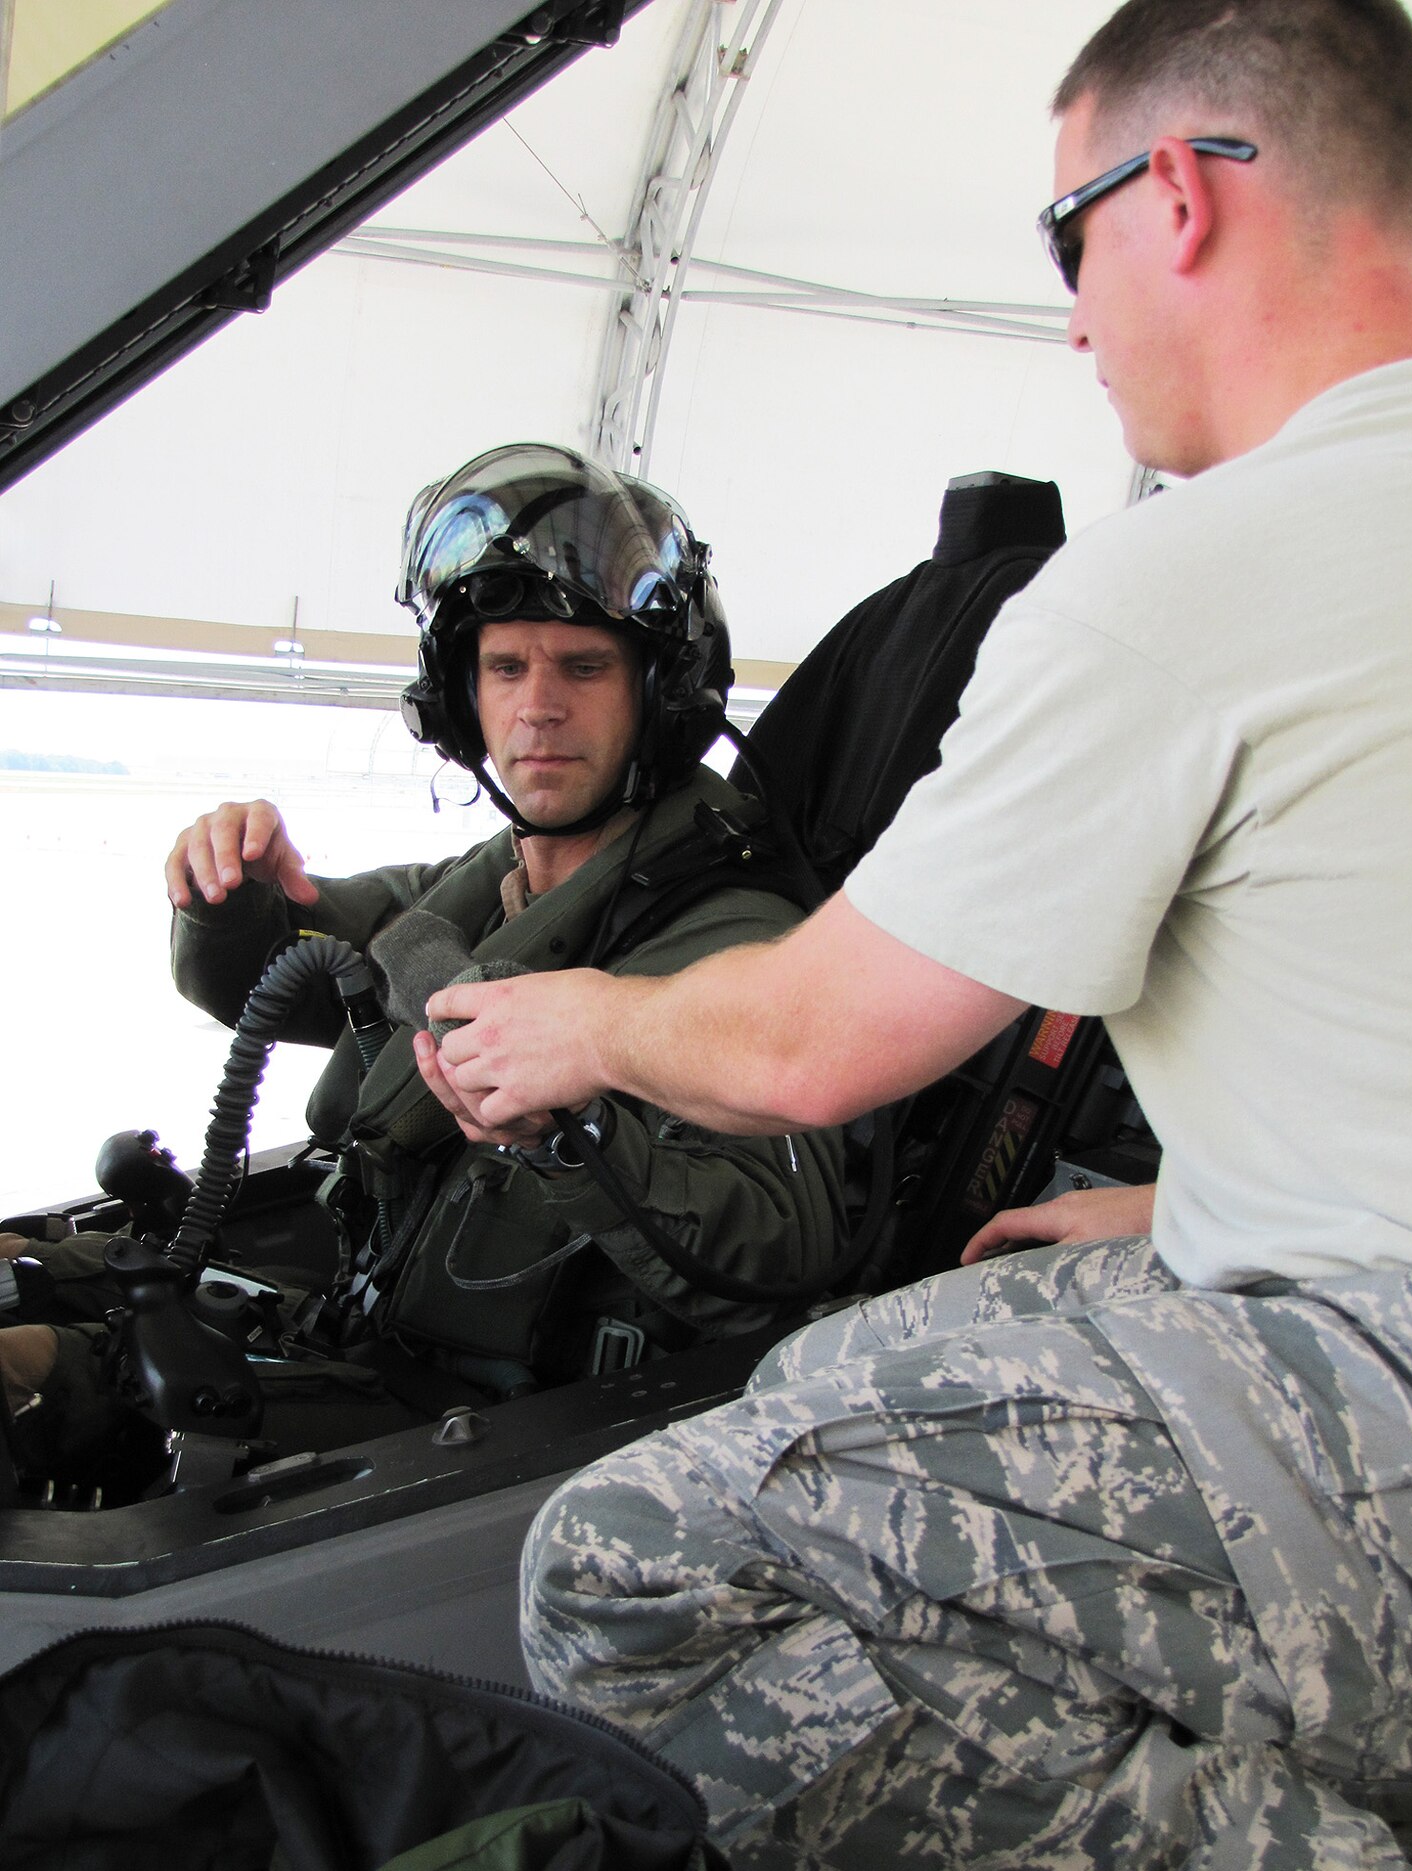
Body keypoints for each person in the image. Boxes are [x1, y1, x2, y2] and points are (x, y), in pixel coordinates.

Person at [415, 5, 1412, 1871]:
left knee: (638, 1562)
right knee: (954, 1312)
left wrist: (587, 1027)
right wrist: (1191, 1200)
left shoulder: (1194, 576)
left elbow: (811, 1045)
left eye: (1070, 236)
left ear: (1183, 197)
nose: (1069, 319)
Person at [1, 446, 844, 1460]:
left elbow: (781, 1246)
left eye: (582, 666)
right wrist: (228, 886)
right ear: (460, 698)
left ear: (659, 694)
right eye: (503, 666)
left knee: (41, 1378)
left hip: (509, 1431)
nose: (538, 705)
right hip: (366, 1326)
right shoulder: (500, 880)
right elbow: (270, 967)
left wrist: (565, 1127)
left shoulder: (729, 933)